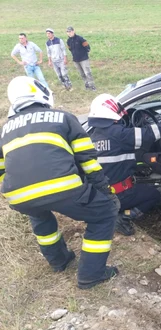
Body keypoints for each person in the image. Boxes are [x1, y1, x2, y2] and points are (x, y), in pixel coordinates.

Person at [0, 76, 119, 290]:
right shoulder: (62, 118)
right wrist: (104, 191)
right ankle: (91, 274)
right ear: (41, 93)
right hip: (63, 188)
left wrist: (12, 190)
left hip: (19, 196)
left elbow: (2, 169)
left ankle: (59, 261)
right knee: (105, 214)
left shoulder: (4, 130)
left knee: (38, 213)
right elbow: (87, 159)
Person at [87, 94, 161, 236]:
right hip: (119, 195)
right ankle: (126, 215)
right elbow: (149, 134)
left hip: (99, 195)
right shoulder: (118, 134)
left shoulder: (92, 136)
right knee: (154, 194)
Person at [66, 26, 96, 91]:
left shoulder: (80, 38)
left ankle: (92, 86)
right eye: (68, 32)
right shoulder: (68, 41)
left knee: (87, 73)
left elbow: (87, 47)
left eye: (70, 31)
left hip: (84, 59)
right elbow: (70, 49)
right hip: (76, 60)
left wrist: (85, 54)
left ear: (73, 31)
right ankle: (87, 85)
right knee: (82, 74)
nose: (69, 33)